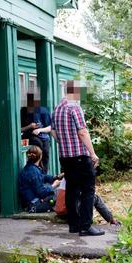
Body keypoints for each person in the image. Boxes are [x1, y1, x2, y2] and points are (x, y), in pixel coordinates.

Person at [51, 80, 104, 237]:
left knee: (72, 190)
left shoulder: (57, 109)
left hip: (65, 157)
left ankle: (73, 225)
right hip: (80, 156)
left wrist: (64, 142)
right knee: (88, 190)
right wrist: (93, 153)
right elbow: (82, 132)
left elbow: (53, 132)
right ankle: (86, 226)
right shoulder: (75, 107)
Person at [18, 145, 63, 212]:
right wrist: (54, 185)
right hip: (34, 205)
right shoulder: (34, 171)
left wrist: (56, 177)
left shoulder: (29, 167)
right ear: (40, 156)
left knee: (54, 193)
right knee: (58, 196)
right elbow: (41, 192)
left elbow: (43, 177)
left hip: (32, 202)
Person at [20, 92, 53, 172]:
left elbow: (50, 127)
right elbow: (19, 129)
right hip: (29, 135)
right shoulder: (23, 111)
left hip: (43, 136)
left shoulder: (43, 110)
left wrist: (39, 130)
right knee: (38, 145)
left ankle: (44, 175)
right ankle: (36, 171)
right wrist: (30, 126)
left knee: (45, 153)